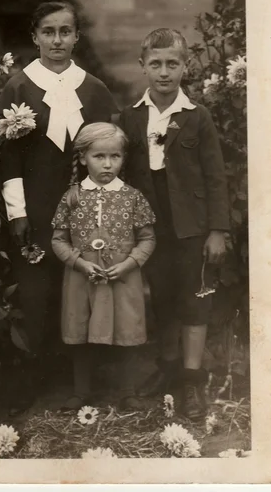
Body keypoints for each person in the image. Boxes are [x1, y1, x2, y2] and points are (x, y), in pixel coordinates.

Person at [0, 1, 117, 412]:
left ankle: (81, 381)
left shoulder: (95, 89)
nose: (58, 40)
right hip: (37, 206)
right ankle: (34, 378)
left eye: (66, 31)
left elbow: (110, 152)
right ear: (35, 37)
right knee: (35, 291)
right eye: (49, 31)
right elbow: (8, 159)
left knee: (80, 291)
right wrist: (18, 213)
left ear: (77, 37)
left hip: (84, 209)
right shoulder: (18, 88)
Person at [119, 28, 229, 421]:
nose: (164, 72)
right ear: (143, 67)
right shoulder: (130, 118)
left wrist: (218, 230)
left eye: (172, 64)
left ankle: (192, 379)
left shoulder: (198, 117)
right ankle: (167, 369)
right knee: (161, 295)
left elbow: (216, 177)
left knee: (195, 298)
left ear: (185, 66)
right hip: (150, 224)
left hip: (192, 226)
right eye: (156, 64)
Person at [51, 123, 156, 410]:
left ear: (123, 158)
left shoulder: (132, 197)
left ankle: (127, 391)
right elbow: (58, 240)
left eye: (115, 156)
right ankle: (81, 392)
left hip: (122, 277)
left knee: (126, 330)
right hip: (82, 277)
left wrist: (130, 264)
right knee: (80, 329)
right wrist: (79, 263)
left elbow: (147, 239)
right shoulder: (72, 197)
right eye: (99, 157)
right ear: (83, 158)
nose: (108, 164)